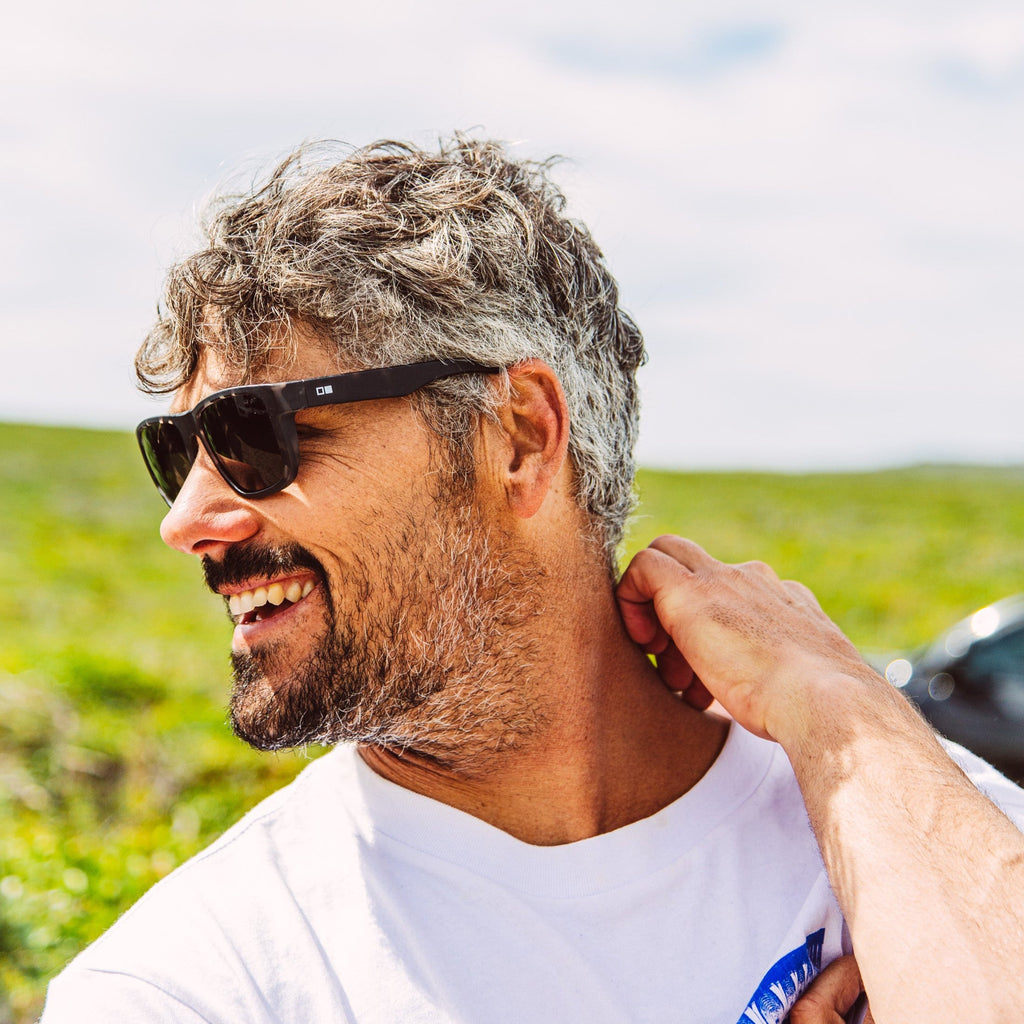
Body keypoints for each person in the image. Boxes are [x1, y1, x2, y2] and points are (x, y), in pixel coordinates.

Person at [43, 137, 1024, 1024]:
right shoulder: (192, 987)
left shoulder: (905, 814)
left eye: (250, 438)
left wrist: (839, 702)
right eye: (177, 453)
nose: (184, 523)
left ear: (517, 438)